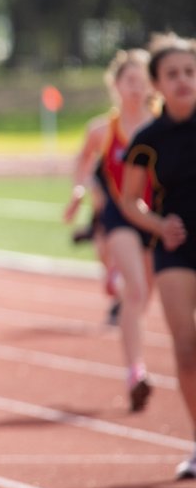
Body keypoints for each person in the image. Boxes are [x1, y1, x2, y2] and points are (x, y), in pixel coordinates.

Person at [119, 33, 196, 479]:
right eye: (173, 74)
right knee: (187, 352)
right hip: (176, 247)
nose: (183, 80)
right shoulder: (149, 139)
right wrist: (158, 225)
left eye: (189, 71)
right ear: (157, 84)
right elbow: (131, 202)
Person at [63, 49, 158, 411]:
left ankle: (116, 277)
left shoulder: (162, 126)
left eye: (143, 81)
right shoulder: (103, 130)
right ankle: (136, 371)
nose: (136, 88)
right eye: (129, 81)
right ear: (116, 85)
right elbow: (84, 160)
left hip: (157, 216)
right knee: (135, 292)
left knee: (145, 293)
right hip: (120, 215)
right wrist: (79, 191)